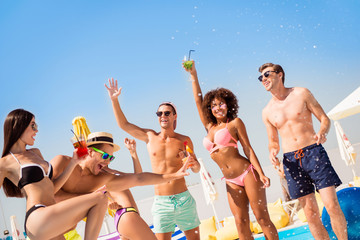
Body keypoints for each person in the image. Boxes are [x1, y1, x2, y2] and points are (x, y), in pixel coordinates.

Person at [184, 61, 279, 240]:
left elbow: (247, 149)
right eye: (213, 106)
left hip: (248, 173)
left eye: (221, 104)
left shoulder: (235, 123)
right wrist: (194, 75)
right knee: (240, 221)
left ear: (228, 105)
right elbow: (198, 100)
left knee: (261, 217)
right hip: (230, 180)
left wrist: (261, 173)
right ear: (209, 109)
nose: (217, 108)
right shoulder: (209, 127)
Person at [259, 62, 348, 240]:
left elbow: (324, 119)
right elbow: (273, 142)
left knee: (331, 205)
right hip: (291, 161)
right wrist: (272, 152)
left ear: (280, 75)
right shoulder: (267, 111)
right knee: (311, 215)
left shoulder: (301, 93)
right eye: (260, 77)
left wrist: (322, 132)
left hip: (313, 152)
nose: (264, 79)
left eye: (267, 74)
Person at [105, 78, 201, 240]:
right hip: (162, 203)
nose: (162, 116)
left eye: (166, 113)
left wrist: (192, 162)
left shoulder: (184, 140)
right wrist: (114, 100)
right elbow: (124, 124)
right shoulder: (150, 137)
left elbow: (196, 169)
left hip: (184, 198)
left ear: (174, 115)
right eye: (159, 113)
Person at [52, 132, 191, 240]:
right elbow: (50, 196)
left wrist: (174, 175)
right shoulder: (62, 162)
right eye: (106, 156)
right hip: (46, 226)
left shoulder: (103, 178)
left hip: (67, 228)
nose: (108, 162)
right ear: (90, 152)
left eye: (111, 158)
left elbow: (139, 178)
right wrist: (94, 199)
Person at [0, 109, 108, 240]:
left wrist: (73, 162)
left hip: (51, 217)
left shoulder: (35, 152)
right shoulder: (5, 162)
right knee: (100, 198)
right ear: (18, 126)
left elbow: (53, 188)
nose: (36, 130)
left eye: (36, 126)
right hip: (37, 216)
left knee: (99, 199)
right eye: (33, 125)